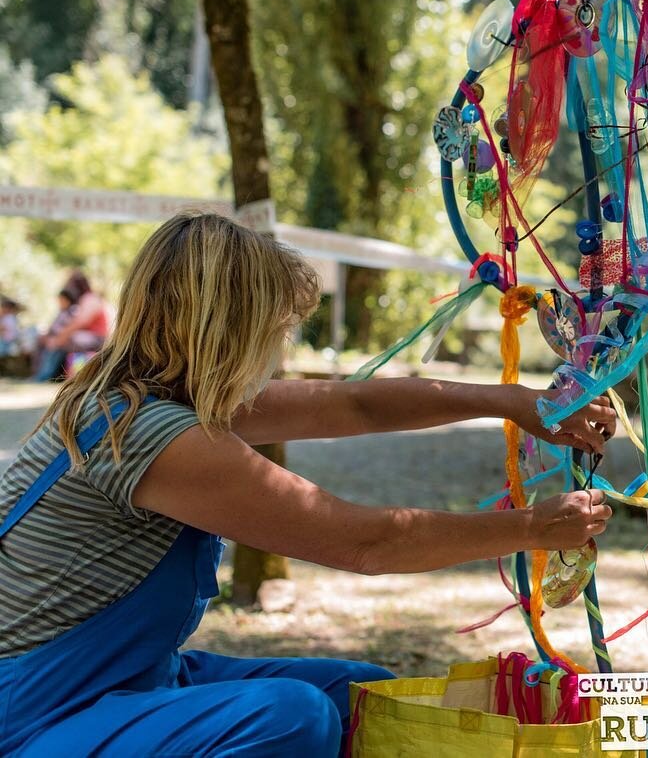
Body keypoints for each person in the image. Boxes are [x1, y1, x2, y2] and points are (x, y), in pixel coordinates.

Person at [0, 213, 616, 757]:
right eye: (279, 327)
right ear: (232, 329)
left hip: (117, 680)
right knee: (291, 721)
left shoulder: (145, 395)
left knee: (365, 698)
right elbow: (365, 544)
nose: (284, 346)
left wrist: (513, 402)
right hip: (38, 714)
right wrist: (532, 528)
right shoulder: (155, 434)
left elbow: (352, 408)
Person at [30, 289, 77, 382]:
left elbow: (70, 328)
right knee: (39, 344)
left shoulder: (73, 311)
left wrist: (55, 339)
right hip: (55, 338)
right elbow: (53, 327)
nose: (60, 302)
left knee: (53, 348)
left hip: (65, 339)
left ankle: (44, 376)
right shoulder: (61, 312)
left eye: (62, 300)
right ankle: (37, 373)